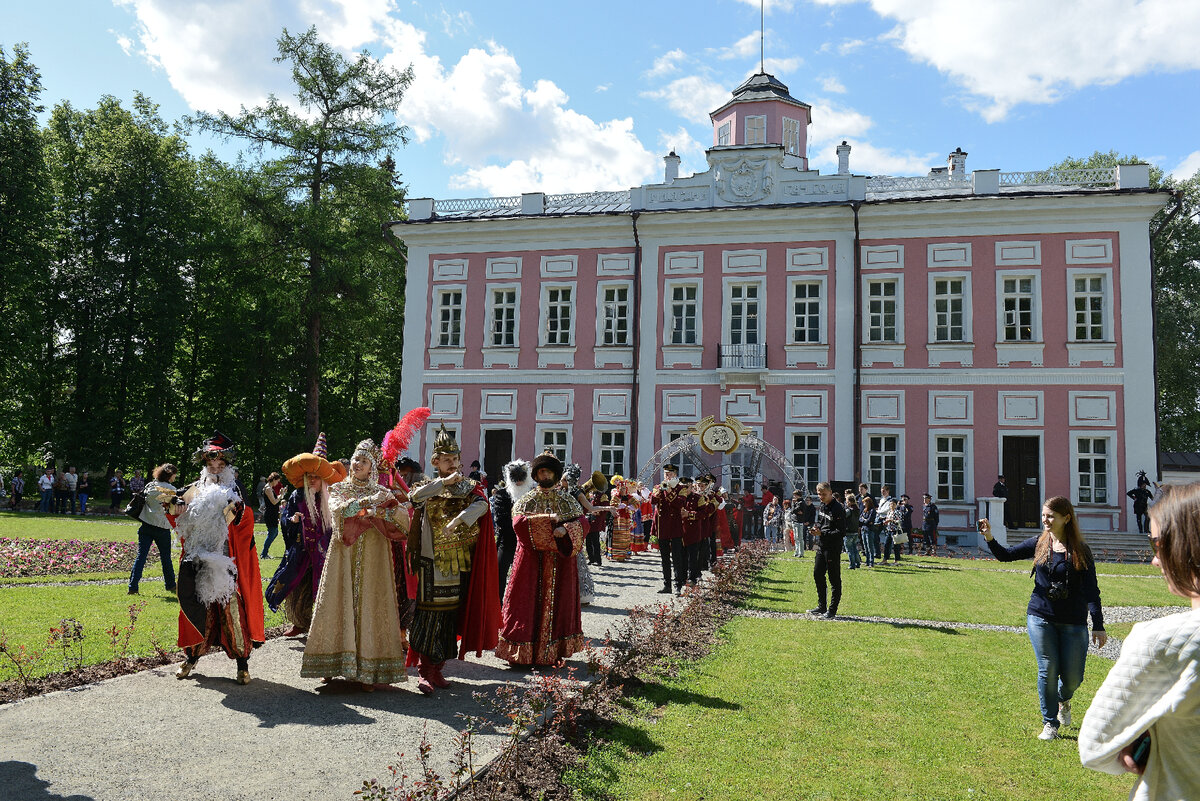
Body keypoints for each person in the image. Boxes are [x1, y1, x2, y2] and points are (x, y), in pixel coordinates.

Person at [1079, 482, 1200, 800]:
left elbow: (1095, 747)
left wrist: (1144, 734)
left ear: (1186, 545)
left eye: (1157, 545)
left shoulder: (1161, 642)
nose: (1155, 561)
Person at [980, 496, 1106, 740]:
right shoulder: (1039, 543)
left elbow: (1092, 591)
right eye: (1044, 515)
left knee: (1073, 678)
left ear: (1066, 518)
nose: (1045, 520)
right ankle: (1050, 724)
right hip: (1040, 616)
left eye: (1051, 516)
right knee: (1047, 668)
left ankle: (1064, 699)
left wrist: (1098, 626)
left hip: (1073, 621)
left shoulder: (1081, 550)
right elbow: (1006, 555)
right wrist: (989, 537)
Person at [301, 438, 411, 690]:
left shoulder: (383, 491)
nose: (357, 464)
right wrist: (365, 505)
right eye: (355, 459)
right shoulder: (341, 488)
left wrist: (381, 511)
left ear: (372, 466)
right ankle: (330, 664)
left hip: (374, 556)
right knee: (338, 600)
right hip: (344, 554)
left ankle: (368, 669)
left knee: (370, 603)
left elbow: (401, 517)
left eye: (363, 461)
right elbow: (338, 509)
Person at [406, 424, 500, 695]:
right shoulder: (427, 485)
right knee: (428, 615)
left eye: (454, 459)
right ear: (435, 461)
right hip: (430, 560)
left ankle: (438, 668)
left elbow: (483, 504)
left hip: (458, 560)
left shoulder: (470, 486)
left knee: (449, 615)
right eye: (445, 459)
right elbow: (414, 498)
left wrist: (462, 517)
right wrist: (442, 484)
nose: (451, 463)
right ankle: (424, 670)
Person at [168, 432, 265, 685]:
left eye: (220, 464)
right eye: (211, 463)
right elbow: (179, 521)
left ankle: (242, 664)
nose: (215, 467)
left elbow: (247, 523)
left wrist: (240, 513)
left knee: (231, 612)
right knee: (197, 609)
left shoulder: (236, 489)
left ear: (227, 464)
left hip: (226, 561)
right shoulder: (194, 489)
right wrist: (173, 507)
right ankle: (191, 658)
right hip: (197, 558)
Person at [496, 453, 588, 666]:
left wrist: (566, 530)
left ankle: (554, 651)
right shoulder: (528, 499)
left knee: (558, 602)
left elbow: (583, 523)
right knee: (525, 602)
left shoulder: (567, 499)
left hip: (559, 562)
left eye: (548, 471)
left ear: (555, 474)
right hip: (530, 560)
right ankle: (521, 652)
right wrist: (546, 523)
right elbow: (518, 523)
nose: (544, 475)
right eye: (540, 472)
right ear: (535, 475)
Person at [265, 433, 347, 637]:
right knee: (296, 587)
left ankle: (323, 625)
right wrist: (291, 520)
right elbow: (285, 519)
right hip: (300, 551)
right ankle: (299, 624)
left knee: (323, 587)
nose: (312, 480)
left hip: (324, 552)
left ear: (323, 480)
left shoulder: (331, 498)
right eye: (309, 476)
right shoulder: (296, 496)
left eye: (316, 477)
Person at [127, 463, 179, 595]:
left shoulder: (150, 486)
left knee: (141, 557)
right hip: (162, 528)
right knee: (165, 558)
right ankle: (171, 585)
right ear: (170, 474)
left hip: (146, 525)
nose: (175, 476)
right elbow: (173, 508)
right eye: (174, 474)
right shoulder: (172, 490)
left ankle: (133, 587)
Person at [492, 459, 533, 596]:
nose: (518, 481)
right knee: (499, 573)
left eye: (521, 477)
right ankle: (498, 605)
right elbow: (501, 521)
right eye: (515, 478)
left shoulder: (532, 495)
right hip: (507, 541)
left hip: (529, 543)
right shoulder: (502, 494)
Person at [807, 482, 846, 619]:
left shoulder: (838, 508)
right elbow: (821, 522)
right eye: (819, 494)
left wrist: (822, 534)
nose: (821, 497)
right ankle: (821, 605)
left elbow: (841, 532)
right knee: (817, 574)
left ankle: (832, 610)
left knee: (834, 578)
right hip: (822, 545)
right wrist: (816, 529)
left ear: (830, 493)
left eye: (823, 494)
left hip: (833, 547)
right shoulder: (823, 505)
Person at [651, 464, 687, 595]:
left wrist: (669, 491)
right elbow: (653, 500)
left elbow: (679, 504)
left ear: (675, 474)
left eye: (670, 474)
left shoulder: (681, 488)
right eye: (666, 474)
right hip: (663, 527)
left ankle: (678, 585)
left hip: (675, 526)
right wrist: (661, 490)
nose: (668, 476)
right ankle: (667, 585)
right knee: (664, 558)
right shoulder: (658, 487)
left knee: (677, 557)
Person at [259, 472, 286, 558]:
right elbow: (274, 502)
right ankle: (264, 554)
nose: (277, 483)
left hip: (273, 513)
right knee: (272, 533)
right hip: (270, 514)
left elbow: (275, 500)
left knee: (275, 533)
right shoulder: (268, 488)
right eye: (277, 481)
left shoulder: (270, 488)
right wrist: (281, 495)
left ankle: (265, 553)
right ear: (273, 479)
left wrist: (281, 494)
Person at [843, 490, 861, 569]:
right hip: (855, 531)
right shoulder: (857, 509)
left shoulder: (849, 510)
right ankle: (858, 563)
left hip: (849, 531)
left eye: (847, 501)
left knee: (849, 549)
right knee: (855, 549)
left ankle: (852, 565)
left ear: (850, 502)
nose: (846, 503)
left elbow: (843, 517)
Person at [858, 493, 877, 567]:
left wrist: (864, 520)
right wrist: (864, 520)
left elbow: (869, 520)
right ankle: (867, 561)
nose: (863, 504)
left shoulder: (872, 510)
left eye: (864, 503)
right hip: (863, 529)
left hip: (869, 530)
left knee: (870, 546)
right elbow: (860, 519)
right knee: (865, 546)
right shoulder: (864, 510)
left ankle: (871, 562)